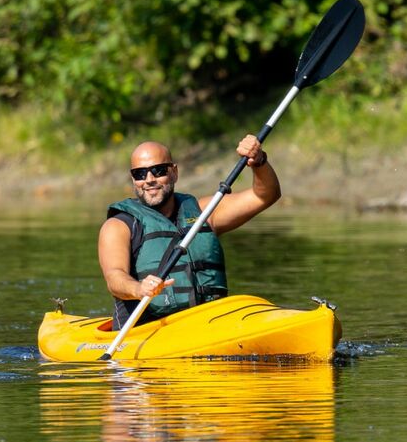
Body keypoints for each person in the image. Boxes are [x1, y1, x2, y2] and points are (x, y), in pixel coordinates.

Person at [98, 137, 280, 327]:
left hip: (209, 322)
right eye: (140, 174)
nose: (149, 179)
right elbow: (114, 277)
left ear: (174, 172)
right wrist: (138, 288)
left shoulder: (204, 213)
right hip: (149, 329)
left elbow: (265, 196)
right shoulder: (118, 226)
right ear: (133, 179)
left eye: (158, 171)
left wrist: (259, 162)